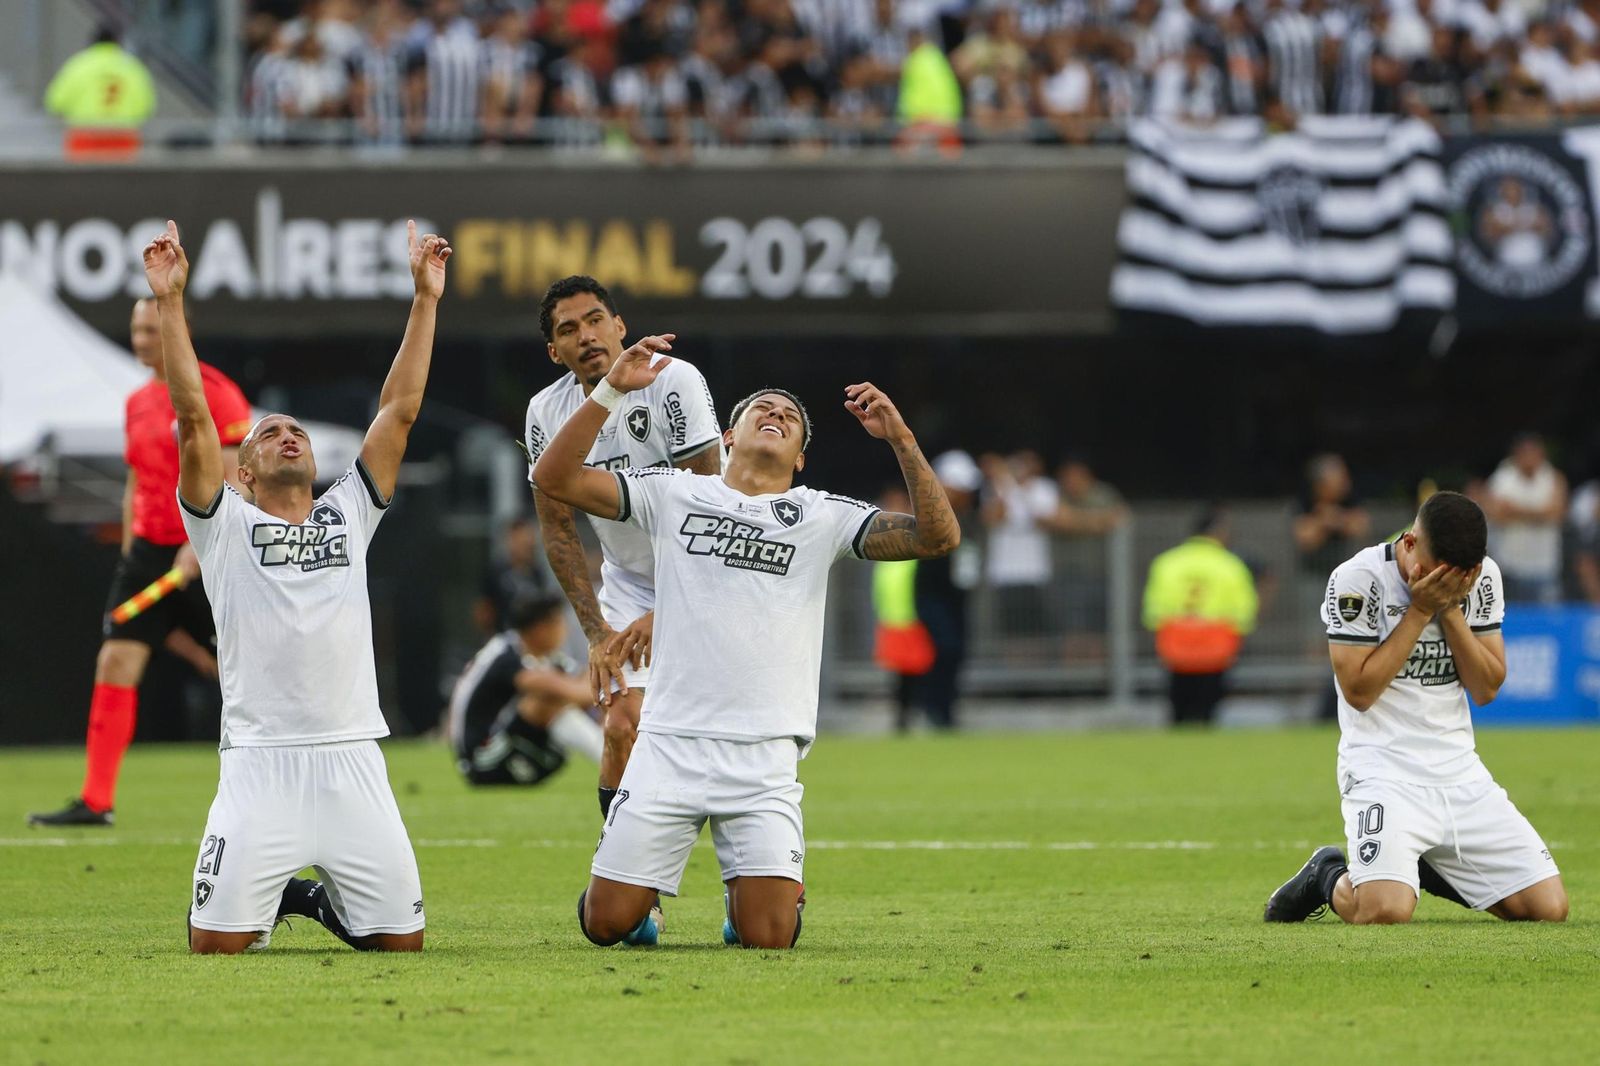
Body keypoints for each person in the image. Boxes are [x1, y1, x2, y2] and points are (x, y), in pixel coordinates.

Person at [533, 340, 958, 950]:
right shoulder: (673, 492)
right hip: (671, 744)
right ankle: (636, 895)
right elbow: (553, 477)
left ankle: (751, 904)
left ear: (802, 458)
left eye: (789, 416)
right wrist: (611, 391)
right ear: (728, 437)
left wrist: (902, 441)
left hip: (763, 758)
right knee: (606, 925)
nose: (776, 414)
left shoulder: (821, 515)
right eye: (763, 407)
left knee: (769, 938)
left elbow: (939, 537)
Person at [143, 218, 450, 954]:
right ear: (241, 471)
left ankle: (303, 897)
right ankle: (265, 893)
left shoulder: (350, 511)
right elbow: (192, 417)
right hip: (260, 762)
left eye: (298, 434)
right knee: (213, 951)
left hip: (353, 757)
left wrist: (425, 299)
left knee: (399, 947)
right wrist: (171, 302)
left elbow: (399, 412)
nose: (288, 436)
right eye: (269, 433)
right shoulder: (223, 525)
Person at [1264, 491, 1568, 925]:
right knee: (1384, 911)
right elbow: (1359, 691)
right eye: (1435, 571)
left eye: (1460, 576)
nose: (1447, 581)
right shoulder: (1358, 579)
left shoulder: (1482, 579)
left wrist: (1450, 612)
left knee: (1547, 910)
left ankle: (1415, 864)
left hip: (1460, 773)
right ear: (1409, 544)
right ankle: (1326, 875)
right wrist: (1420, 610)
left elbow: (1486, 689)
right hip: (1382, 771)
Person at [28, 301, 252, 828]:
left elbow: (236, 475)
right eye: (136, 329)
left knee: (244, 672)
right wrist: (133, 545)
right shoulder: (136, 402)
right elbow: (137, 481)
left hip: (206, 549)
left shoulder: (215, 392)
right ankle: (96, 801)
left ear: (180, 330)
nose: (142, 339)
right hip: (151, 554)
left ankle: (282, 785)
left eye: (152, 329)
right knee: (115, 662)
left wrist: (205, 540)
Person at [524, 276, 723, 822]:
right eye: (569, 329)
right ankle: (630, 894)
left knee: (724, 746)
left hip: (714, 576)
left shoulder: (672, 379)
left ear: (619, 326)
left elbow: (709, 506)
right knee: (619, 726)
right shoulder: (546, 413)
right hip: (632, 586)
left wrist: (671, 611)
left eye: (594, 320)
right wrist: (595, 633)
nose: (585, 336)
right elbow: (559, 528)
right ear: (554, 351)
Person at [449, 595, 604, 786]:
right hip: (482, 760)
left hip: (516, 751)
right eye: (558, 623)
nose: (565, 629)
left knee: (583, 696)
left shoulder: (548, 658)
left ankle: (617, 757)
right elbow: (575, 691)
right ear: (540, 629)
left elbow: (585, 681)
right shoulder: (506, 654)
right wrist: (601, 690)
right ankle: (612, 760)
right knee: (547, 701)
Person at [1142, 507, 1259, 726]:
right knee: (1208, 711)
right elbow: (1244, 613)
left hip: (1177, 643)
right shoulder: (1230, 565)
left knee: (1179, 708)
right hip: (1216, 644)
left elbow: (1154, 611)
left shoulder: (1167, 562)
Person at [44, 24, 158, 159]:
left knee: (84, 179)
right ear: (118, 42)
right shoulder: (132, 67)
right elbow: (146, 107)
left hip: (84, 137)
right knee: (121, 179)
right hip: (123, 137)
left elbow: (55, 103)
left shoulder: (78, 65)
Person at [1485, 433, 1568, 604]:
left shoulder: (1554, 478)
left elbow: (1557, 514)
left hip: (1544, 566)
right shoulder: (1502, 478)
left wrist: (1515, 510)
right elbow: (1497, 516)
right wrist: (1540, 512)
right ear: (1517, 455)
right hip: (1509, 565)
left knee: (1546, 621)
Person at [473, 515, 557, 634]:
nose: (526, 545)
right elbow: (484, 610)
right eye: (521, 541)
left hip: (531, 639)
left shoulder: (537, 573)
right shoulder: (496, 572)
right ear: (510, 540)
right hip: (504, 636)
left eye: (528, 541)